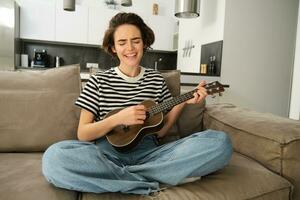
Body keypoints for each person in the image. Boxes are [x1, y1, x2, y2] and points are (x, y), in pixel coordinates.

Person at [42, 12, 232, 195]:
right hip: (106, 157)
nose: (130, 48)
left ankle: (123, 179)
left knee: (220, 143)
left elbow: (161, 131)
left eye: (136, 41)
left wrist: (184, 101)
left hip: (151, 155)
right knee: (54, 158)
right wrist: (117, 119)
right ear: (113, 48)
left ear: (144, 43)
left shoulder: (156, 80)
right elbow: (83, 133)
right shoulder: (98, 81)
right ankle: (150, 181)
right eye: (122, 43)